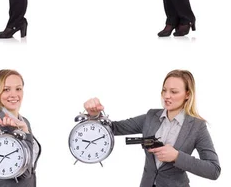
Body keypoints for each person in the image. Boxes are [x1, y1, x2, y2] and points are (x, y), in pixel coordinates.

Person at [83, 69, 220, 187]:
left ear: (187, 94)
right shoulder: (151, 116)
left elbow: (214, 170)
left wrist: (177, 156)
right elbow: (114, 128)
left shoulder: (197, 126)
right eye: (164, 90)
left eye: (174, 91)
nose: (166, 96)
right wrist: (95, 115)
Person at [0, 69, 40, 186]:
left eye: (18, 89)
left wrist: (25, 130)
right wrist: (26, 133)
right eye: (6, 89)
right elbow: (23, 173)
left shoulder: (24, 121)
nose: (14, 94)